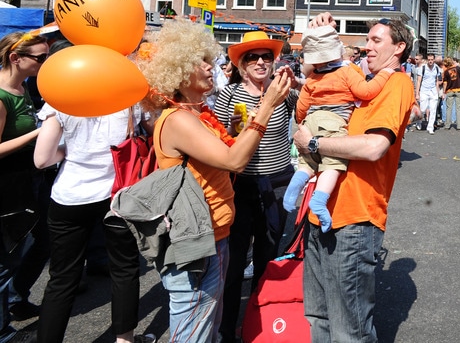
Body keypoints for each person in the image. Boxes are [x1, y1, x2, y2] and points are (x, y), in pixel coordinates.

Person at [133, 19, 292, 343]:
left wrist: (234, 132)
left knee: (206, 325)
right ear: (178, 72)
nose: (211, 67)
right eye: (201, 61)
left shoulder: (195, 112)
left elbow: (223, 153)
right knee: (193, 330)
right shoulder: (177, 118)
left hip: (214, 232)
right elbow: (235, 161)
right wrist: (266, 107)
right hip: (196, 239)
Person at [292, 14, 415, 343]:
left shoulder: (396, 83)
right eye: (367, 39)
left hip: (356, 218)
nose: (367, 46)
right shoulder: (356, 78)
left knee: (350, 328)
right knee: (318, 316)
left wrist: (314, 143)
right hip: (321, 214)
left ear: (399, 47)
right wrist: (319, 34)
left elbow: (374, 146)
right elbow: (314, 81)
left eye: (377, 40)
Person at [33, 104, 153, 343]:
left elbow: (42, 160)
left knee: (62, 278)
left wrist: (71, 152)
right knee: (124, 268)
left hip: (70, 196)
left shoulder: (62, 98)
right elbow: (154, 132)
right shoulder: (131, 98)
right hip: (118, 194)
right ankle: (124, 340)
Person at [214, 31, 299, 343]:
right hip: (240, 184)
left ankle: (260, 324)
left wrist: (298, 82)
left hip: (276, 182)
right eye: (253, 57)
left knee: (267, 256)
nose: (261, 62)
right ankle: (226, 330)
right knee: (235, 260)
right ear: (241, 64)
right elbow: (220, 138)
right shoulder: (228, 96)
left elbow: (307, 107)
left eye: (267, 56)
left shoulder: (284, 92)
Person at [282, 25, 393, 231]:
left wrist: (302, 123)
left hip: (311, 120)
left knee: (308, 162)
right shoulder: (346, 71)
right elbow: (366, 91)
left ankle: (293, 189)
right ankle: (319, 201)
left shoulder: (313, 77)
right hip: (333, 121)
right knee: (333, 164)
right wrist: (385, 74)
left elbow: (302, 106)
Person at [0, 31, 48, 343]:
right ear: (16, 58)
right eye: (40, 59)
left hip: (28, 178)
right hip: (7, 186)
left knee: (43, 240)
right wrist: (38, 134)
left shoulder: (23, 86)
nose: (45, 64)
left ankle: (17, 299)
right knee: (6, 259)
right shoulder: (2, 96)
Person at [415, 54, 441, 133]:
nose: (430, 61)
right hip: (424, 90)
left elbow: (437, 80)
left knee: (433, 110)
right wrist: (417, 93)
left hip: (433, 91)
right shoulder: (422, 68)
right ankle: (418, 121)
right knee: (423, 109)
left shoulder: (436, 68)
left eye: (432, 59)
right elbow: (419, 81)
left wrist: (437, 91)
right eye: (429, 59)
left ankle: (430, 127)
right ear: (427, 59)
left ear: (434, 60)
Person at [440, 57, 460, 131]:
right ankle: (459, 125)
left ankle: (447, 125)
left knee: (449, 108)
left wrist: (444, 92)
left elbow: (445, 83)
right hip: (458, 90)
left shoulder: (446, 71)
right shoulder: (458, 69)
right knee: (458, 108)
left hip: (450, 90)